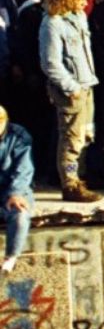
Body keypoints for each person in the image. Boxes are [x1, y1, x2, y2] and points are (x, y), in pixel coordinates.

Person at [39, 0, 99, 202]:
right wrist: (70, 86)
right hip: (71, 88)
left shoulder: (79, 18)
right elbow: (50, 62)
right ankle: (70, 183)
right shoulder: (53, 22)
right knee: (71, 139)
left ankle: (79, 177)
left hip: (87, 84)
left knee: (85, 135)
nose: (86, 3)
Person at [0, 105, 31, 273]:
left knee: (20, 215)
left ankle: (10, 257)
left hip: (12, 187)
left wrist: (16, 193)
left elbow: (24, 167)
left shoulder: (18, 134)